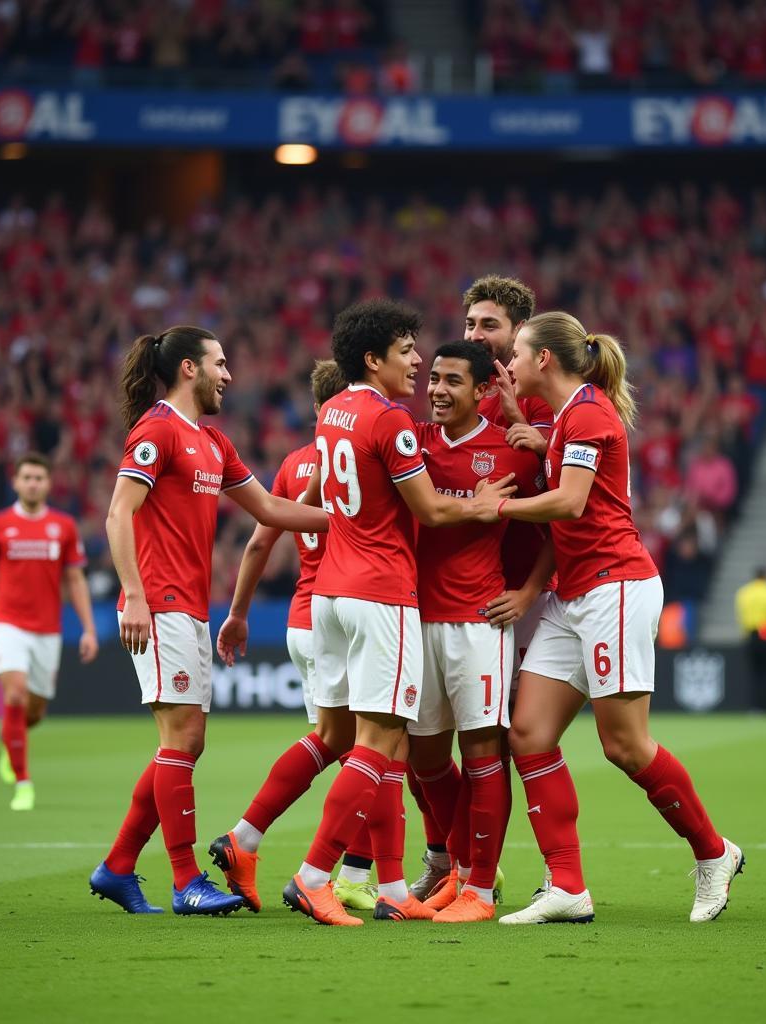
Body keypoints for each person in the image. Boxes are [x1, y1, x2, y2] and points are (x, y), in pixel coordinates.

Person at [212, 299, 514, 927]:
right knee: (380, 746)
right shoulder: (390, 420)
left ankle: (388, 882)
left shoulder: (332, 414)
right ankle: (317, 875)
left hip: (329, 594)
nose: (417, 361)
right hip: (381, 593)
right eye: (407, 350)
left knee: (341, 738)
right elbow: (430, 510)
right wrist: (481, 504)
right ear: (374, 358)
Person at [471, 311, 743, 925]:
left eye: (515, 350)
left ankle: (713, 852)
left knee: (624, 744)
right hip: (575, 593)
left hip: (615, 588)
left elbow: (569, 501)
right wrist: (530, 432)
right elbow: (568, 470)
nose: (508, 361)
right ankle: (567, 886)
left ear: (544, 359)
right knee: (529, 734)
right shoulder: (572, 417)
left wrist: (501, 506)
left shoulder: (588, 412)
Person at [90, 325, 330, 917]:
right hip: (159, 605)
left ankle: (119, 867)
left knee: (183, 746)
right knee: (184, 741)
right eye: (220, 364)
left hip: (191, 608)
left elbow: (270, 509)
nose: (229, 375)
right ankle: (184, 880)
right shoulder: (157, 430)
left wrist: (350, 520)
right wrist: (135, 595)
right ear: (190, 369)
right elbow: (119, 513)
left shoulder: (213, 442)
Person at [207, 359, 379, 913]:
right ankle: (348, 872)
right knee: (378, 746)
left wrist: (237, 613)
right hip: (354, 612)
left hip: (305, 618)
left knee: (339, 741)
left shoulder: (297, 462)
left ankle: (250, 839)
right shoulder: (373, 449)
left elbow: (259, 544)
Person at [409, 273, 555, 902]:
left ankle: (486, 882)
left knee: (504, 743)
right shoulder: (411, 440)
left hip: (499, 605)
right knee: (423, 756)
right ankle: (452, 862)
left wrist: (527, 593)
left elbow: (566, 513)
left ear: (519, 336)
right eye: (470, 325)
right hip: (420, 613)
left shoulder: (531, 426)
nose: (476, 336)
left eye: (488, 326)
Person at [0, 453, 99, 811]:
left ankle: (10, 740)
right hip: (7, 624)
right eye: (26, 477)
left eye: (38, 478)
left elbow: (75, 579)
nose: (32, 483)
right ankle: (23, 783)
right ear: (15, 482)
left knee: (35, 711)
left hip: (47, 629)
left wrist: (89, 629)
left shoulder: (63, 526)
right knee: (14, 696)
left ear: (47, 483)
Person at [735, 566, 766, 711]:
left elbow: (741, 615)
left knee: (753, 673)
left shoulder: (744, 593)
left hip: (751, 635)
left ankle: (754, 706)